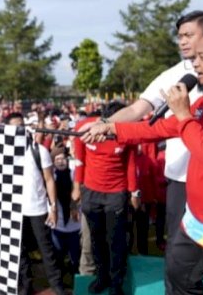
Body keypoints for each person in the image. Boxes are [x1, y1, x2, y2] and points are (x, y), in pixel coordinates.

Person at [82, 11, 203, 293]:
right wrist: (110, 129)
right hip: (197, 219)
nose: (195, 65)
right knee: (178, 276)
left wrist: (184, 115)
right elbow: (158, 129)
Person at [72, 102, 139, 295]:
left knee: (116, 241)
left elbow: (131, 165)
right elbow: (79, 160)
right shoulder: (84, 129)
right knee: (96, 239)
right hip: (91, 193)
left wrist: (134, 192)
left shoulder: (129, 132)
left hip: (116, 194)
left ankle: (116, 282)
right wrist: (77, 186)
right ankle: (102, 278)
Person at [5, 113, 67, 295]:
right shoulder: (3, 153)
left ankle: (57, 285)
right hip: (15, 211)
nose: (20, 129)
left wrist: (53, 207)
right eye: (16, 126)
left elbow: (49, 180)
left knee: (46, 249)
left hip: (38, 209)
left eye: (22, 125)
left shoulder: (38, 150)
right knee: (19, 251)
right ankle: (25, 285)